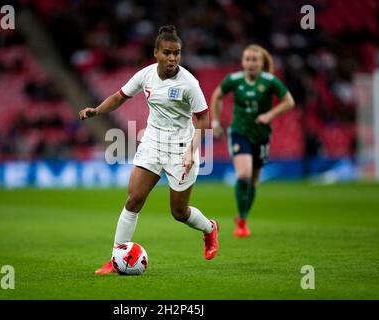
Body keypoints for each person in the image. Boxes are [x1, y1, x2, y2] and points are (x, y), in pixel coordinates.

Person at [79, 25, 219, 274]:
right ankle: (115, 259)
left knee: (179, 212)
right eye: (167, 52)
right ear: (156, 53)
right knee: (133, 200)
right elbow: (120, 96)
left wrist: (191, 150)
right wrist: (97, 110)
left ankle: (209, 228)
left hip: (181, 149)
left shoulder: (189, 83)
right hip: (153, 143)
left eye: (177, 53)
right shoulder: (145, 75)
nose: (173, 58)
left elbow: (204, 118)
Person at [210, 44, 295, 238]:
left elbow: (289, 101)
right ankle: (241, 222)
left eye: (254, 60)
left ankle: (243, 216)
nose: (250, 63)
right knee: (244, 174)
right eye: (247, 59)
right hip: (240, 132)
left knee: (254, 181)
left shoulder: (270, 81)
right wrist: (215, 122)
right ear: (242, 62)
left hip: (262, 135)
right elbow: (217, 96)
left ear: (261, 62)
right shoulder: (233, 80)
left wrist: (269, 115)